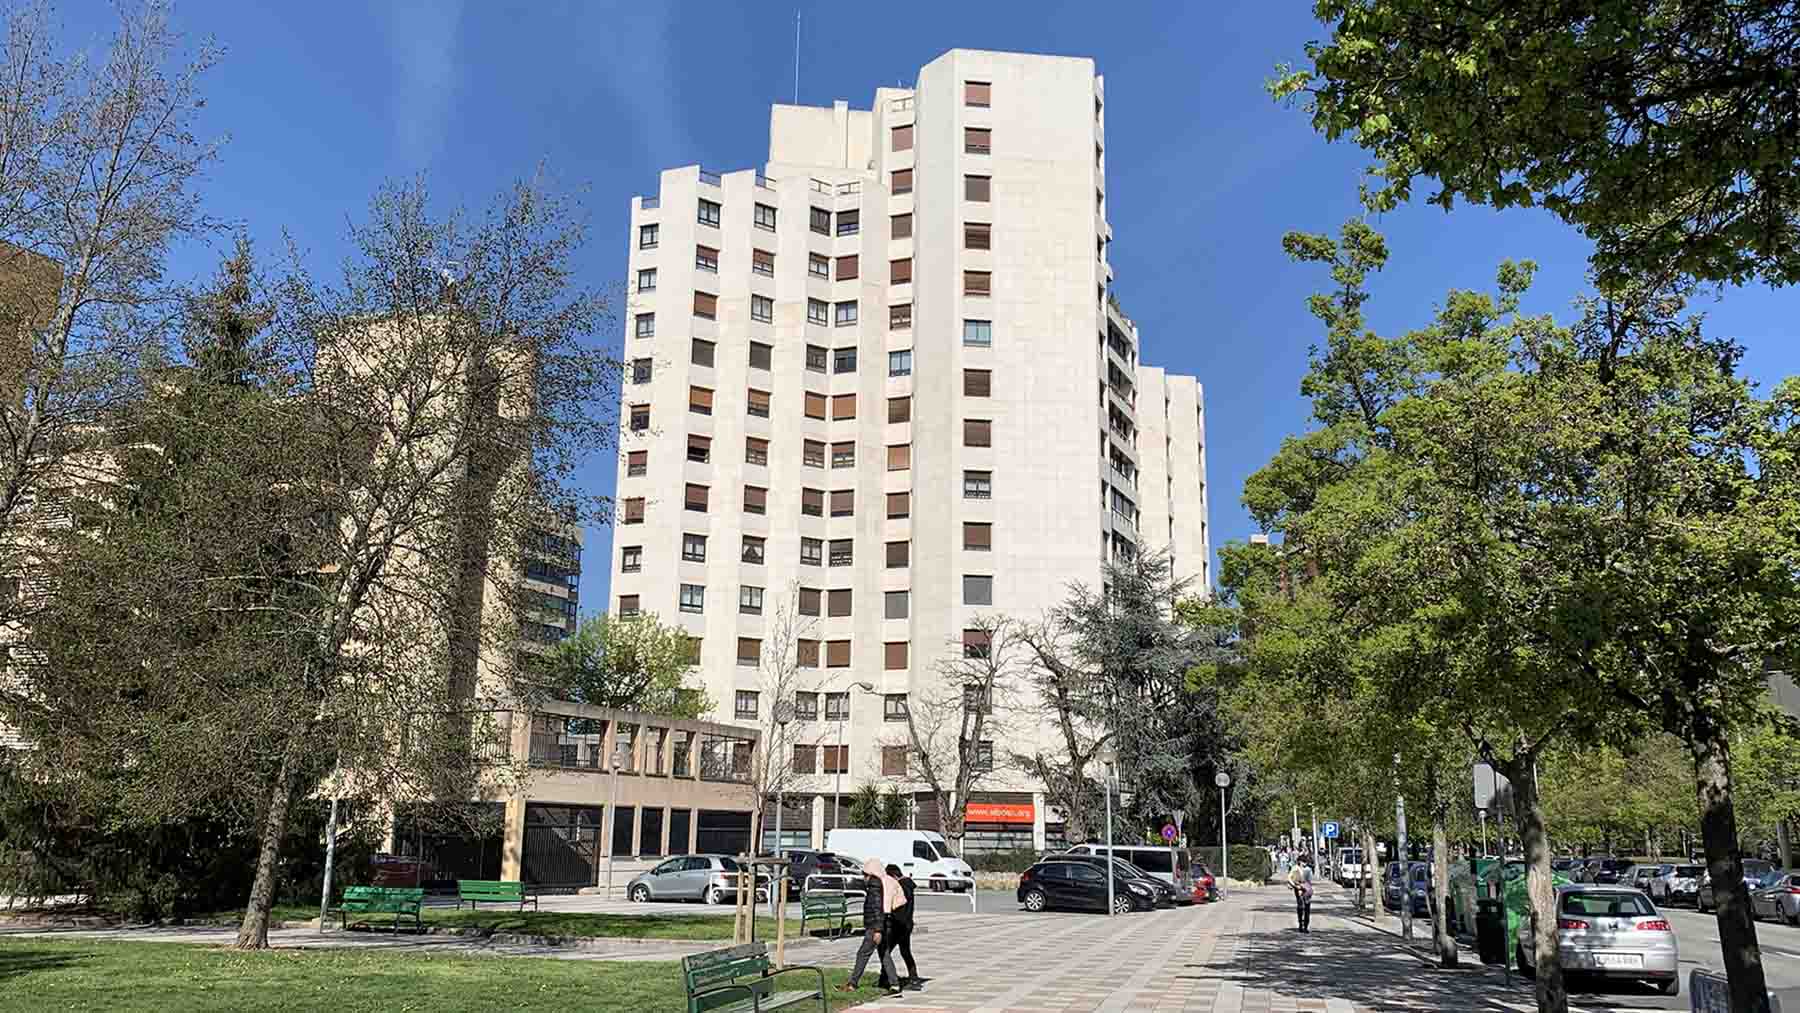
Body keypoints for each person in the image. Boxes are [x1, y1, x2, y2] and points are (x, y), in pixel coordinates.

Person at [837, 859, 903, 998]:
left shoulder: (875, 884)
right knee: (884, 954)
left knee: (863, 953)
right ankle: (895, 984)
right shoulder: (887, 881)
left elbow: (877, 908)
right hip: (887, 922)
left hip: (876, 925)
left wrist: (878, 930)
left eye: (865, 874)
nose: (864, 877)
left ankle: (852, 983)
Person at [878, 863, 919, 991]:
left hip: (898, 924)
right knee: (905, 951)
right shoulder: (908, 885)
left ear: (894, 876)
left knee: (885, 951)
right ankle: (914, 978)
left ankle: (884, 979)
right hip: (907, 923)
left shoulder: (900, 886)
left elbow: (896, 906)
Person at [1287, 853, 1314, 932]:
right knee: (1301, 906)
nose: (1304, 864)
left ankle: (1306, 926)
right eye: (1303, 862)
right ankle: (1301, 925)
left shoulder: (1308, 869)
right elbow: (1289, 878)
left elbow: (1310, 881)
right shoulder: (1295, 868)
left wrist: (1307, 887)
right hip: (1298, 888)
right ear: (1299, 861)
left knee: (1307, 907)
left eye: (1305, 862)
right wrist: (1295, 886)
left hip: (1306, 889)